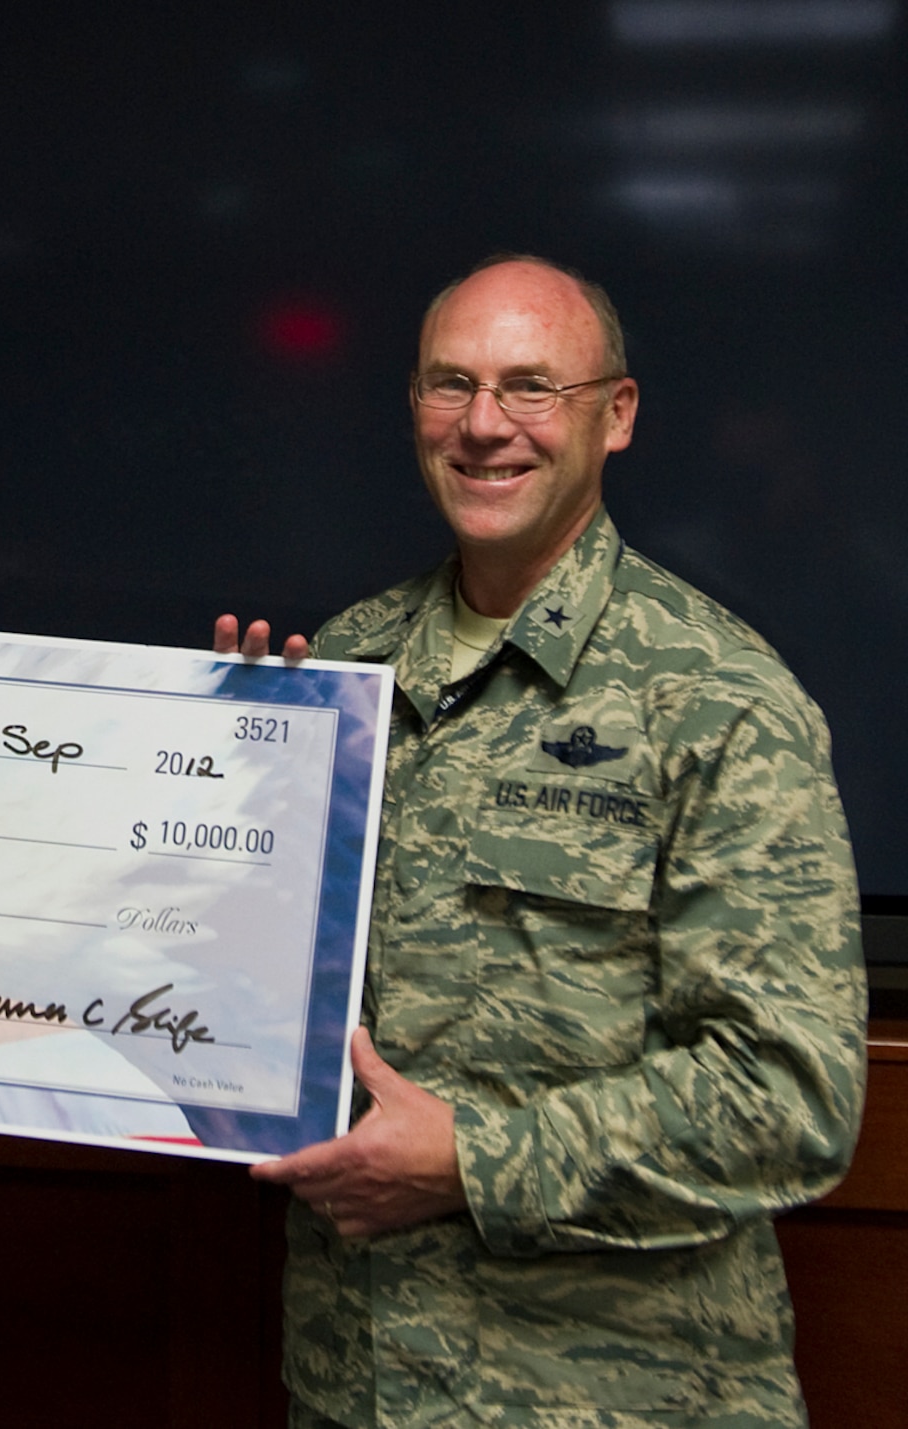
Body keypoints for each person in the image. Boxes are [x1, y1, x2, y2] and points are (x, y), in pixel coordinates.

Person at [214, 256, 866, 1428]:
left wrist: (471, 1159)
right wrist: (215, 776)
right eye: (446, 385)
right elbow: (232, 989)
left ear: (612, 415)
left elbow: (788, 1092)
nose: (480, 426)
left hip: (613, 1397)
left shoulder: (716, 698)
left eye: (529, 388)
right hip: (352, 1383)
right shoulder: (345, 666)